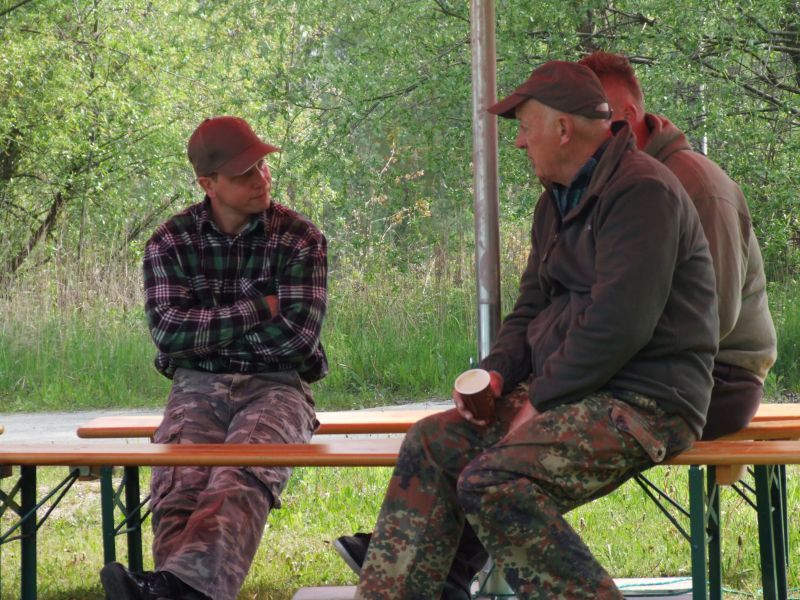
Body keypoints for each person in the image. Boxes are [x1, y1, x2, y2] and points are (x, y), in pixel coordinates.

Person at [352, 61, 719, 599]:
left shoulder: (643, 192)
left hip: (646, 400)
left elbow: (619, 325)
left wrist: (542, 399)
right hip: (580, 390)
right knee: (431, 443)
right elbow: (530, 308)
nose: (520, 142)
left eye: (525, 127)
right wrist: (496, 374)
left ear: (563, 129)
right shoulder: (555, 202)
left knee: (495, 482)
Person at [100, 116, 328, 600]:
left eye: (262, 166)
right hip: (196, 386)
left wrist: (204, 335)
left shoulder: (300, 238)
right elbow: (169, 334)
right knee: (179, 485)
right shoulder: (170, 241)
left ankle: (169, 589)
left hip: (278, 385)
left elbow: (297, 340)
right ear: (208, 184)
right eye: (245, 174)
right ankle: (179, 589)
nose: (261, 179)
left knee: (240, 474)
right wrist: (258, 309)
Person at [578, 51, 777, 441]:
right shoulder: (615, 186)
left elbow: (715, 317)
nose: (579, 136)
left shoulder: (698, 187)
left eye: (589, 120)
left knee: (561, 424)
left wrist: (605, 356)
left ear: (627, 117)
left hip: (718, 378)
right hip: (656, 369)